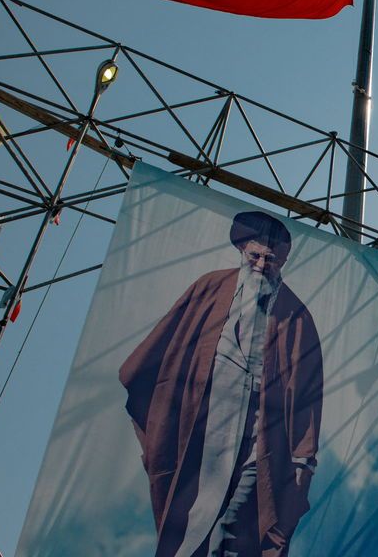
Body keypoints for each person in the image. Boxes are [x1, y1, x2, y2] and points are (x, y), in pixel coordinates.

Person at [119, 211, 323, 557]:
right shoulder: (210, 287)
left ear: (283, 262)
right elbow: (158, 358)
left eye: (270, 260)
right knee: (191, 526)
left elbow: (306, 399)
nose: (260, 264)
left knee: (236, 531)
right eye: (254, 256)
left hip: (261, 441)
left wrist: (301, 466)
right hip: (205, 428)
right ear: (242, 251)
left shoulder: (297, 316)